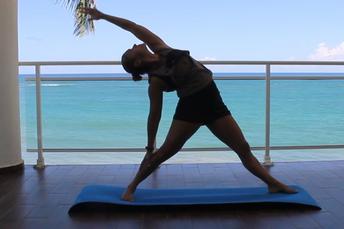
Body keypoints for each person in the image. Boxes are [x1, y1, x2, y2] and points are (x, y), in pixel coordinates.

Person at [81, 7, 297, 201]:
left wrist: (102, 16)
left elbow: (132, 27)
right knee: (163, 153)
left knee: (243, 148)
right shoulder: (155, 81)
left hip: (212, 100)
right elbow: (154, 114)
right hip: (191, 108)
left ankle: (273, 184)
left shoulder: (160, 48)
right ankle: (130, 188)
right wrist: (149, 146)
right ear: (137, 62)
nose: (134, 44)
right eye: (131, 50)